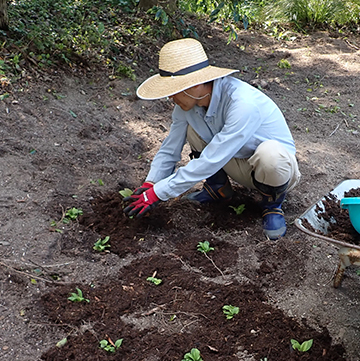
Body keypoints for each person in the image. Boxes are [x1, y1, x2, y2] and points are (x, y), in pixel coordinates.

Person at [123, 38, 301, 240]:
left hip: (274, 171)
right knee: (192, 130)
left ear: (196, 84)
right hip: (233, 161)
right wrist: (151, 183)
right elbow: (170, 148)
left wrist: (159, 193)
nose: (171, 98)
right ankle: (219, 189)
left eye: (174, 91)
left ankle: (272, 205)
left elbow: (212, 159)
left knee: (271, 155)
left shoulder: (242, 104)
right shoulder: (187, 106)